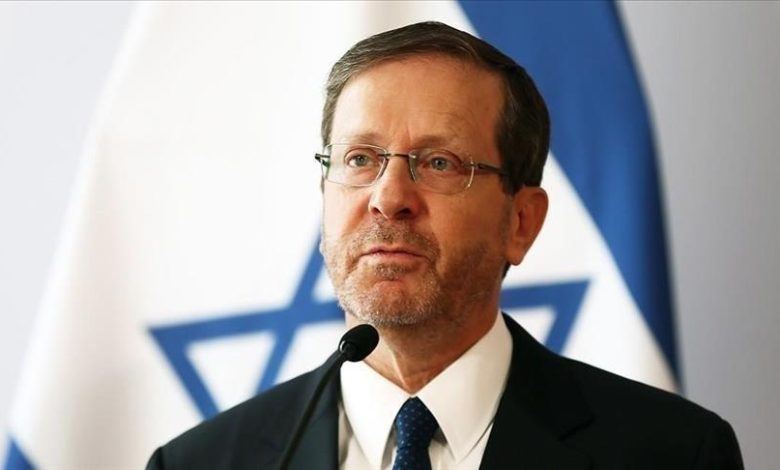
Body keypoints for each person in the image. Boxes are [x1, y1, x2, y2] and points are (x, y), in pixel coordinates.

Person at [146, 21, 743, 470]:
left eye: (439, 162)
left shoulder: (673, 453)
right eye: (360, 159)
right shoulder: (199, 463)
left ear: (521, 222)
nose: (388, 198)